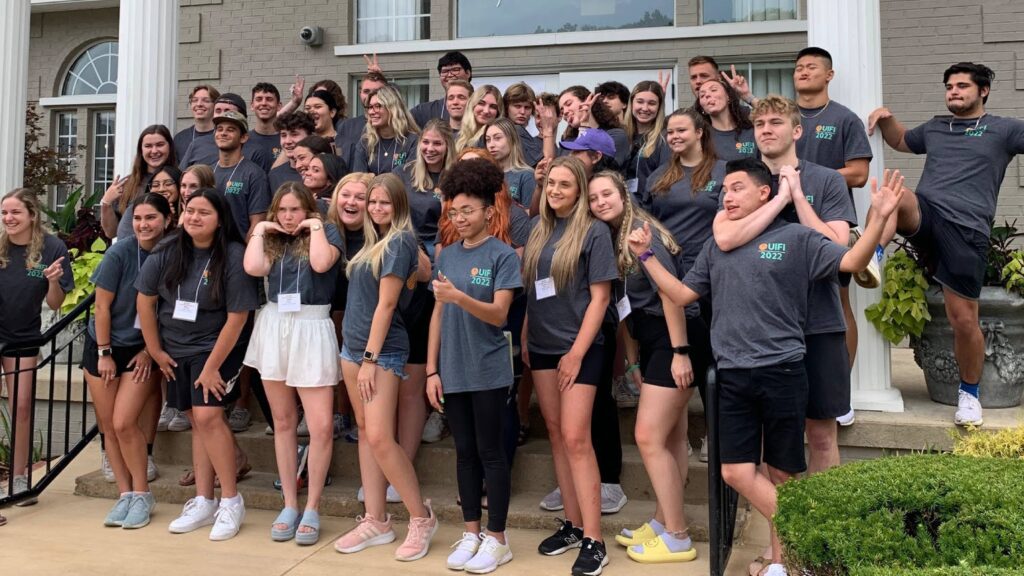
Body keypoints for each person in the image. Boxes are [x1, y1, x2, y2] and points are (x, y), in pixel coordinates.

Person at [868, 61, 1024, 427]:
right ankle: (873, 254)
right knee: (896, 196)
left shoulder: (1004, 129)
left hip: (967, 230)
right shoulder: (937, 127)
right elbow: (901, 140)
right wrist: (885, 118)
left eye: (962, 86)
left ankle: (969, 395)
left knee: (963, 320)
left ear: (983, 91)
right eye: (949, 87)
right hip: (927, 213)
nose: (953, 92)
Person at [715, 96, 856, 481]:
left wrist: (797, 198)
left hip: (818, 322)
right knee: (767, 441)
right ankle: (775, 522)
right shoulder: (742, 181)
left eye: (775, 122)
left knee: (821, 434)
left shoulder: (825, 180)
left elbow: (837, 246)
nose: (766, 130)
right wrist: (778, 201)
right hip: (762, 330)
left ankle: (822, 519)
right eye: (759, 124)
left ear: (796, 131)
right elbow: (725, 238)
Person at [586, 171, 702, 564]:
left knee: (648, 436)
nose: (600, 202)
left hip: (675, 335)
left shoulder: (640, 233)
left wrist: (680, 351)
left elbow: (670, 294)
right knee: (671, 437)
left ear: (623, 195)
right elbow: (625, 308)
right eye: (594, 198)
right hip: (651, 337)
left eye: (607, 194)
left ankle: (678, 536)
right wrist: (633, 358)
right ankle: (663, 520)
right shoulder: (612, 237)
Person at [136, 188, 257, 541]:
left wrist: (212, 366)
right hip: (175, 347)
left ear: (220, 219)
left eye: (204, 212)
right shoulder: (168, 249)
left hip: (217, 346)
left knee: (207, 416)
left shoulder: (233, 255)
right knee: (194, 419)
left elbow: (238, 317)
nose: (194, 217)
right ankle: (203, 500)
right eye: (190, 210)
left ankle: (231, 500)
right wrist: (155, 350)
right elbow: (145, 301)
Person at [333, 173, 438, 561]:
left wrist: (370, 359)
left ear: (399, 206)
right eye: (372, 201)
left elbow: (388, 304)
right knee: (366, 433)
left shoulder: (399, 241)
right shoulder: (371, 240)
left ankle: (421, 517)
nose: (376, 208)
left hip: (380, 353)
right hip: (352, 349)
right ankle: (375, 519)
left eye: (384, 203)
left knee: (379, 437)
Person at [523, 156, 617, 576]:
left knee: (577, 438)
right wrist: (526, 334)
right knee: (558, 434)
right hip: (542, 346)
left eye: (564, 184)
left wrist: (577, 352)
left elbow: (601, 298)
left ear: (579, 190)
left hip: (580, 347)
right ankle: (574, 525)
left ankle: (595, 539)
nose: (555, 190)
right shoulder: (539, 229)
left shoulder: (594, 231)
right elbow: (534, 291)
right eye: (550, 184)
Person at [427, 159, 521, 573]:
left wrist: (458, 298)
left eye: (468, 210)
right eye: (454, 212)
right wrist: (431, 370)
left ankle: (498, 538)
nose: (460, 218)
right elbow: (437, 315)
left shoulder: (503, 256)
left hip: (488, 368)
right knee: (464, 453)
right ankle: (471, 533)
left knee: (491, 452)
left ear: (488, 211)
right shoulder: (446, 256)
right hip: (453, 368)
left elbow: (499, 314)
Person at [243, 182, 344, 546]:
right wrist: (261, 228)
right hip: (275, 324)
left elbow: (321, 263)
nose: (288, 217)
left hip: (312, 325)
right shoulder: (271, 238)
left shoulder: (326, 232)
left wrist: (314, 224)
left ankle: (313, 506)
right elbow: (254, 267)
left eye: (295, 209)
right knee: (284, 422)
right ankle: (289, 503)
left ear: (308, 209)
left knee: (320, 426)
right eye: (282, 210)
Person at [85, 193, 173, 529]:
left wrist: (150, 350)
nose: (143, 225)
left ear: (167, 220)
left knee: (124, 422)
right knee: (109, 426)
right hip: (104, 346)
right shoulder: (120, 252)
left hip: (142, 350)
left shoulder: (174, 254)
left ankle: (142, 493)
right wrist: (104, 352)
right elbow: (101, 306)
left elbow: (169, 312)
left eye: (151, 218)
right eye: (137, 218)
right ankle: (124, 494)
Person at [0, 188, 74, 505]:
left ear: (32, 214)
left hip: (23, 337)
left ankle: (19, 479)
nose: (8, 218)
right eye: (4, 213)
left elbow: (55, 303)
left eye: (15, 212)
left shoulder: (52, 247)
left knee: (21, 407)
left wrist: (53, 281)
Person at [326, 172, 375, 444]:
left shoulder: (379, 233)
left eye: (360, 197)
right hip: (332, 307)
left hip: (368, 314)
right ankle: (340, 413)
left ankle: (360, 416)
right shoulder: (328, 229)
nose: (351, 202)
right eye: (345, 195)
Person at [101, 124, 178, 240]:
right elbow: (111, 233)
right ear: (141, 150)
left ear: (170, 147)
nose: (154, 151)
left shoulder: (181, 181)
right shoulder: (126, 185)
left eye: (160, 145)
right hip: (131, 249)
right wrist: (106, 202)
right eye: (148, 146)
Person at [211, 110, 272, 239]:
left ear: (243, 137)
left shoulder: (255, 174)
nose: (223, 133)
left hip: (239, 246)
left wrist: (248, 249)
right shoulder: (208, 172)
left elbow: (257, 224)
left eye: (231, 130)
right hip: (209, 246)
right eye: (219, 129)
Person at [179, 93, 272, 172]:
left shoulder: (256, 151)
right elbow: (181, 178)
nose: (222, 114)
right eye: (218, 111)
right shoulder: (197, 144)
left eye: (228, 111)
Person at [352, 85, 420, 176]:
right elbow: (359, 179)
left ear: (393, 109)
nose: (371, 112)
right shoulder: (365, 142)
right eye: (370, 107)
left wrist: (373, 178)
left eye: (378, 106)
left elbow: (409, 178)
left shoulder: (412, 141)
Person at [624, 82, 671, 200]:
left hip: (647, 206)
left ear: (659, 107)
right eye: (640, 102)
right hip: (622, 205)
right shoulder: (622, 135)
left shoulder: (664, 139)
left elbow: (664, 180)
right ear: (631, 103)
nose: (645, 108)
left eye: (652, 103)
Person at [695, 78, 757, 162]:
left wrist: (747, 95)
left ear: (728, 96)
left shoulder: (752, 128)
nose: (707, 95)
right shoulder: (700, 138)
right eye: (702, 95)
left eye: (713, 90)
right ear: (702, 108)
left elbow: (773, 114)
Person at [336, 71, 388, 168]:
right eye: (366, 91)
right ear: (360, 93)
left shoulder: (393, 126)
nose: (371, 95)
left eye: (377, 91)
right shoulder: (346, 126)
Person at [411, 51, 473, 127]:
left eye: (455, 70)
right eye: (444, 71)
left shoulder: (482, 107)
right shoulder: (424, 111)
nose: (449, 75)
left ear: (468, 73)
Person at [485, 118, 537, 207]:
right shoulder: (486, 176)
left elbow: (531, 213)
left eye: (497, 138)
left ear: (512, 140)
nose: (491, 145)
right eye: (488, 140)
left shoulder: (526, 176)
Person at [269, 111, 317, 192]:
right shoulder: (275, 175)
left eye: (294, 134)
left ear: (310, 137)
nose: (287, 141)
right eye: (283, 135)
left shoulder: (323, 172)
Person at [174, 85, 220, 161]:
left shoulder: (222, 136)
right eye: (195, 100)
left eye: (206, 100)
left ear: (216, 105)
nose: (199, 104)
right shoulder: (180, 138)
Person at [503, 82, 543, 166]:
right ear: (507, 107)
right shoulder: (516, 130)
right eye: (517, 106)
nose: (522, 112)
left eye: (527, 107)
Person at [455, 85, 504, 153]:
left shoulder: (497, 140)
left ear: (498, 112)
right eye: (481, 103)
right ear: (472, 105)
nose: (486, 111)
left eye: (493, 107)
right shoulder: (456, 137)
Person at [248, 82, 285, 168]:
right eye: (259, 99)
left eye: (269, 99)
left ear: (279, 106)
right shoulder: (244, 140)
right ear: (252, 105)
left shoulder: (287, 141)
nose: (264, 103)